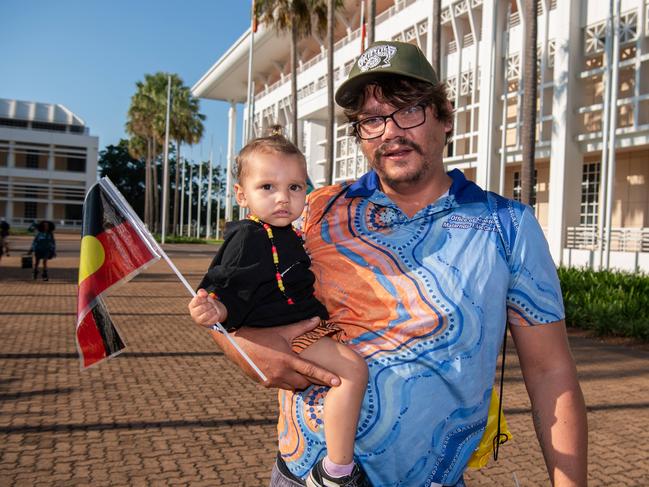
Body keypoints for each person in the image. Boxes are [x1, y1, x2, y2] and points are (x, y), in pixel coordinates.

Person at [194, 41, 588, 487]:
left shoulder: (507, 226)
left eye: (409, 110)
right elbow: (232, 286)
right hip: (303, 476)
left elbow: (550, 370)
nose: (390, 131)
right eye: (372, 119)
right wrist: (240, 344)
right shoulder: (315, 208)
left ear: (445, 117)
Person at [188, 135, 370, 487]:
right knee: (352, 372)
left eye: (295, 187)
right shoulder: (248, 237)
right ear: (242, 195)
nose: (283, 198)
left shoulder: (287, 232)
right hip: (289, 331)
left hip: (303, 325)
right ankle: (337, 471)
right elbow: (229, 283)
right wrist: (216, 309)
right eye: (268, 186)